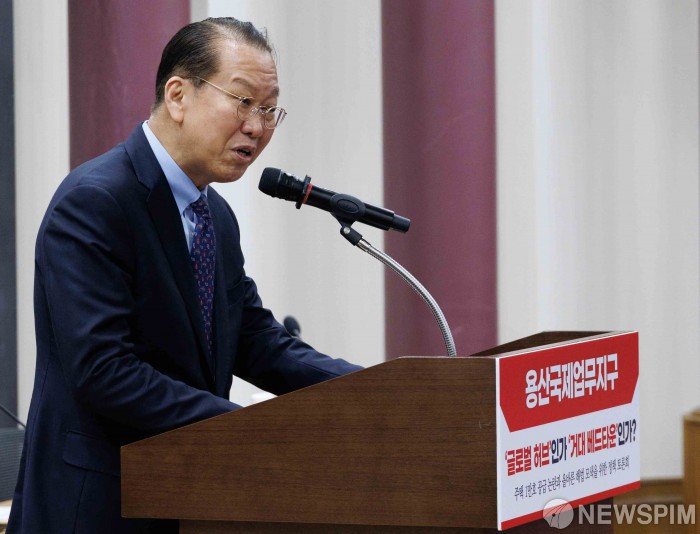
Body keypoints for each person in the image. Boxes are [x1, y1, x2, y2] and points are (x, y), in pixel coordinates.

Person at [7, 17, 361, 534]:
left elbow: (255, 339)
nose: (257, 127)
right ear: (177, 95)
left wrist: (371, 388)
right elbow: (104, 371)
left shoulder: (214, 215)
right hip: (97, 508)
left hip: (185, 500)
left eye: (268, 110)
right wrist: (250, 429)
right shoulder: (95, 202)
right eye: (243, 101)